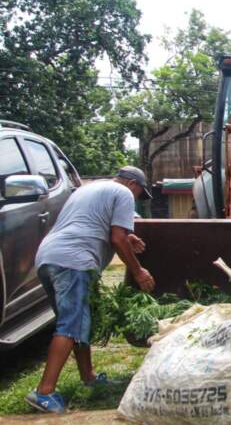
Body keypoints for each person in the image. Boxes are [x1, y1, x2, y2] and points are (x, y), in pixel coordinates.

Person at [26, 166, 156, 413]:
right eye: (140, 192)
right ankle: (44, 392)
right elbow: (116, 237)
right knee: (71, 325)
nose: (138, 198)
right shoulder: (124, 193)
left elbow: (92, 222)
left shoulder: (88, 189)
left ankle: (89, 376)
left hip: (48, 256)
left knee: (75, 320)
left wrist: (129, 237)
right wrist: (138, 271)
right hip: (73, 260)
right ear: (132, 184)